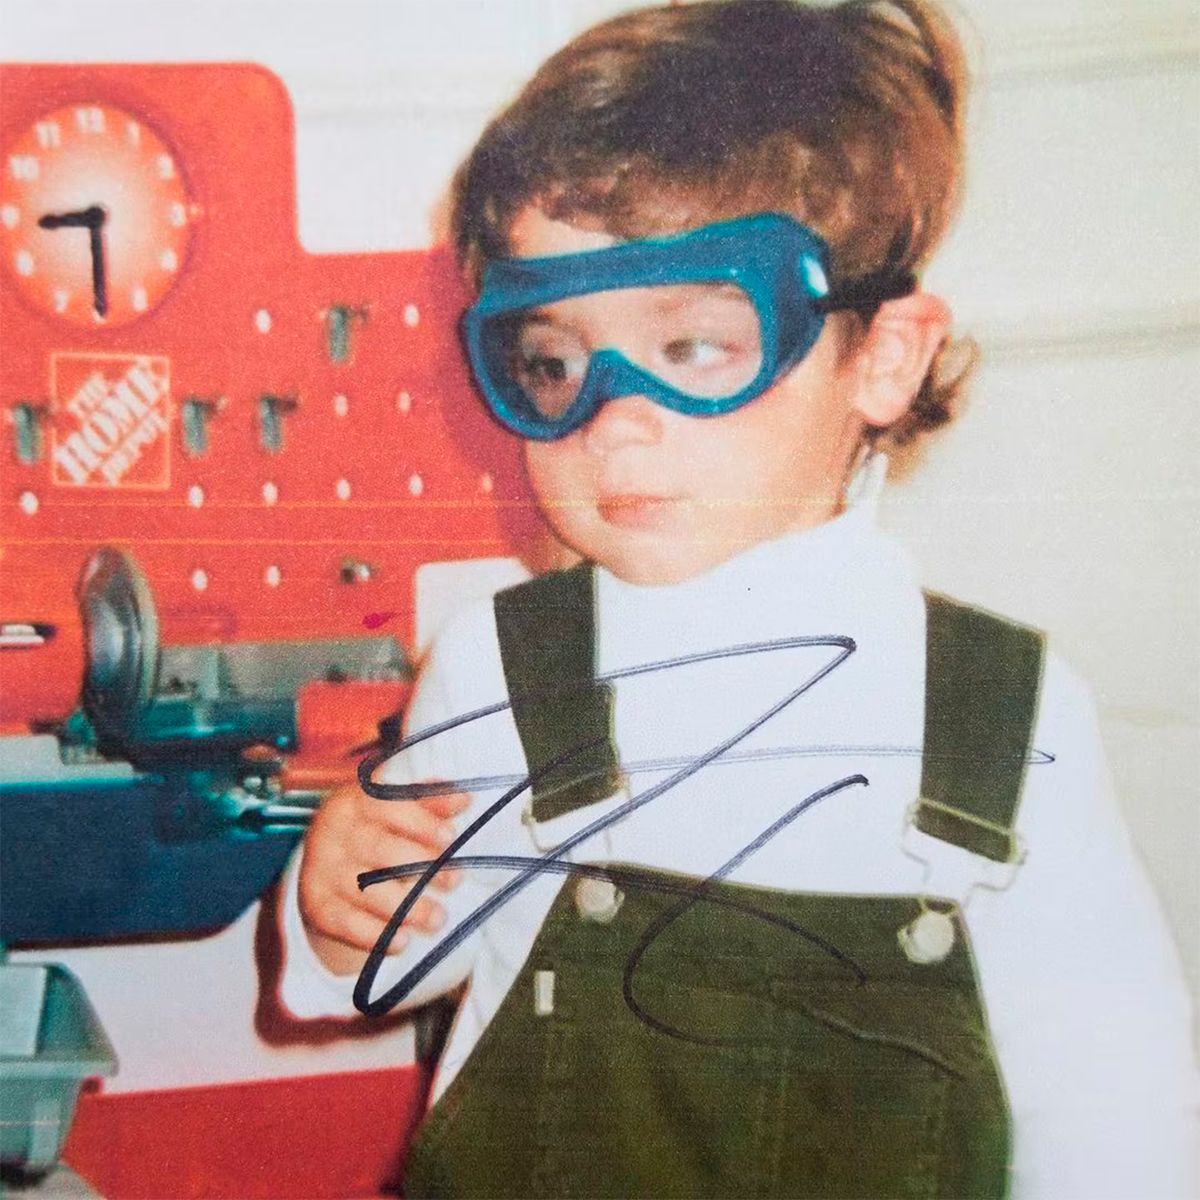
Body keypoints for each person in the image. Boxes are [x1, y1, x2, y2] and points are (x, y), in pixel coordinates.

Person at [279, 2, 1199, 1196]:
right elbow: (391, 963)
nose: (616, 421)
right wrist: (333, 906)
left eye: (698, 348)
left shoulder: (1002, 718)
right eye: (555, 362)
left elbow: (1119, 1119)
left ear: (883, 358)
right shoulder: (502, 666)